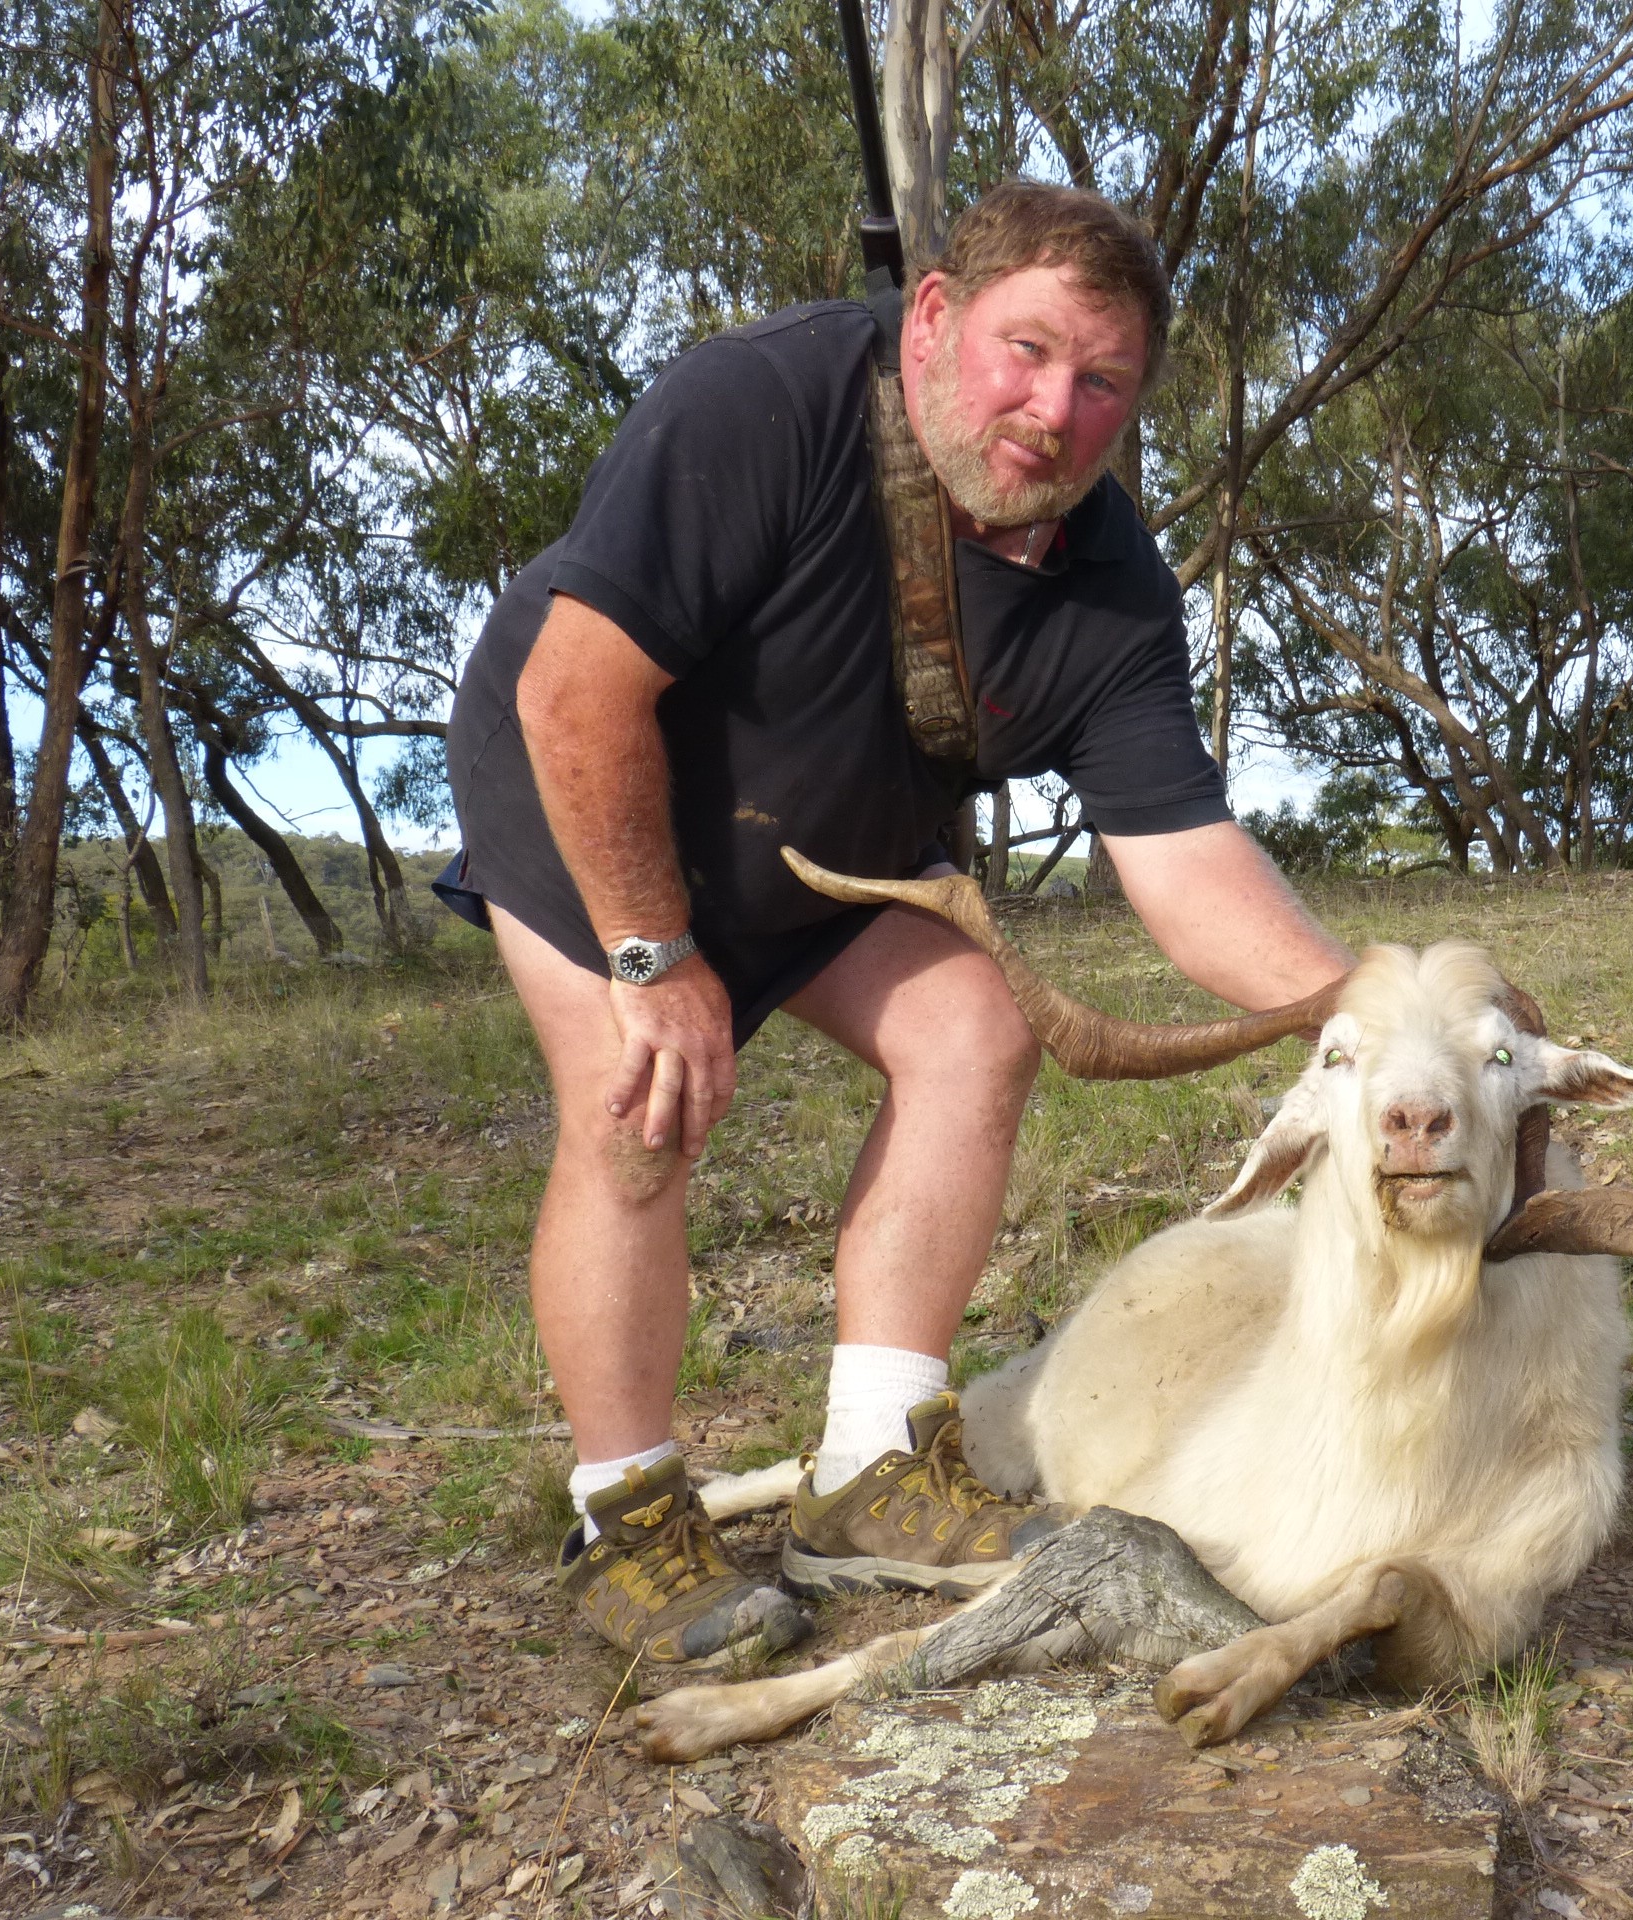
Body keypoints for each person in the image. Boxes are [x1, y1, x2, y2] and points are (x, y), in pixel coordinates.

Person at [436, 182, 1350, 1664]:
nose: (1054, 408)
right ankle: (625, 1517)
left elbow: (1182, 858)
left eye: (1101, 378)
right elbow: (575, 690)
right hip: (587, 797)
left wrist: (1373, 1001)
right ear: (933, 319)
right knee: (640, 1106)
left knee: (975, 1031)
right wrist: (654, 961)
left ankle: (870, 1471)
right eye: (1025, 350)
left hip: (822, 846)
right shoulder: (762, 402)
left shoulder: (1114, 596)